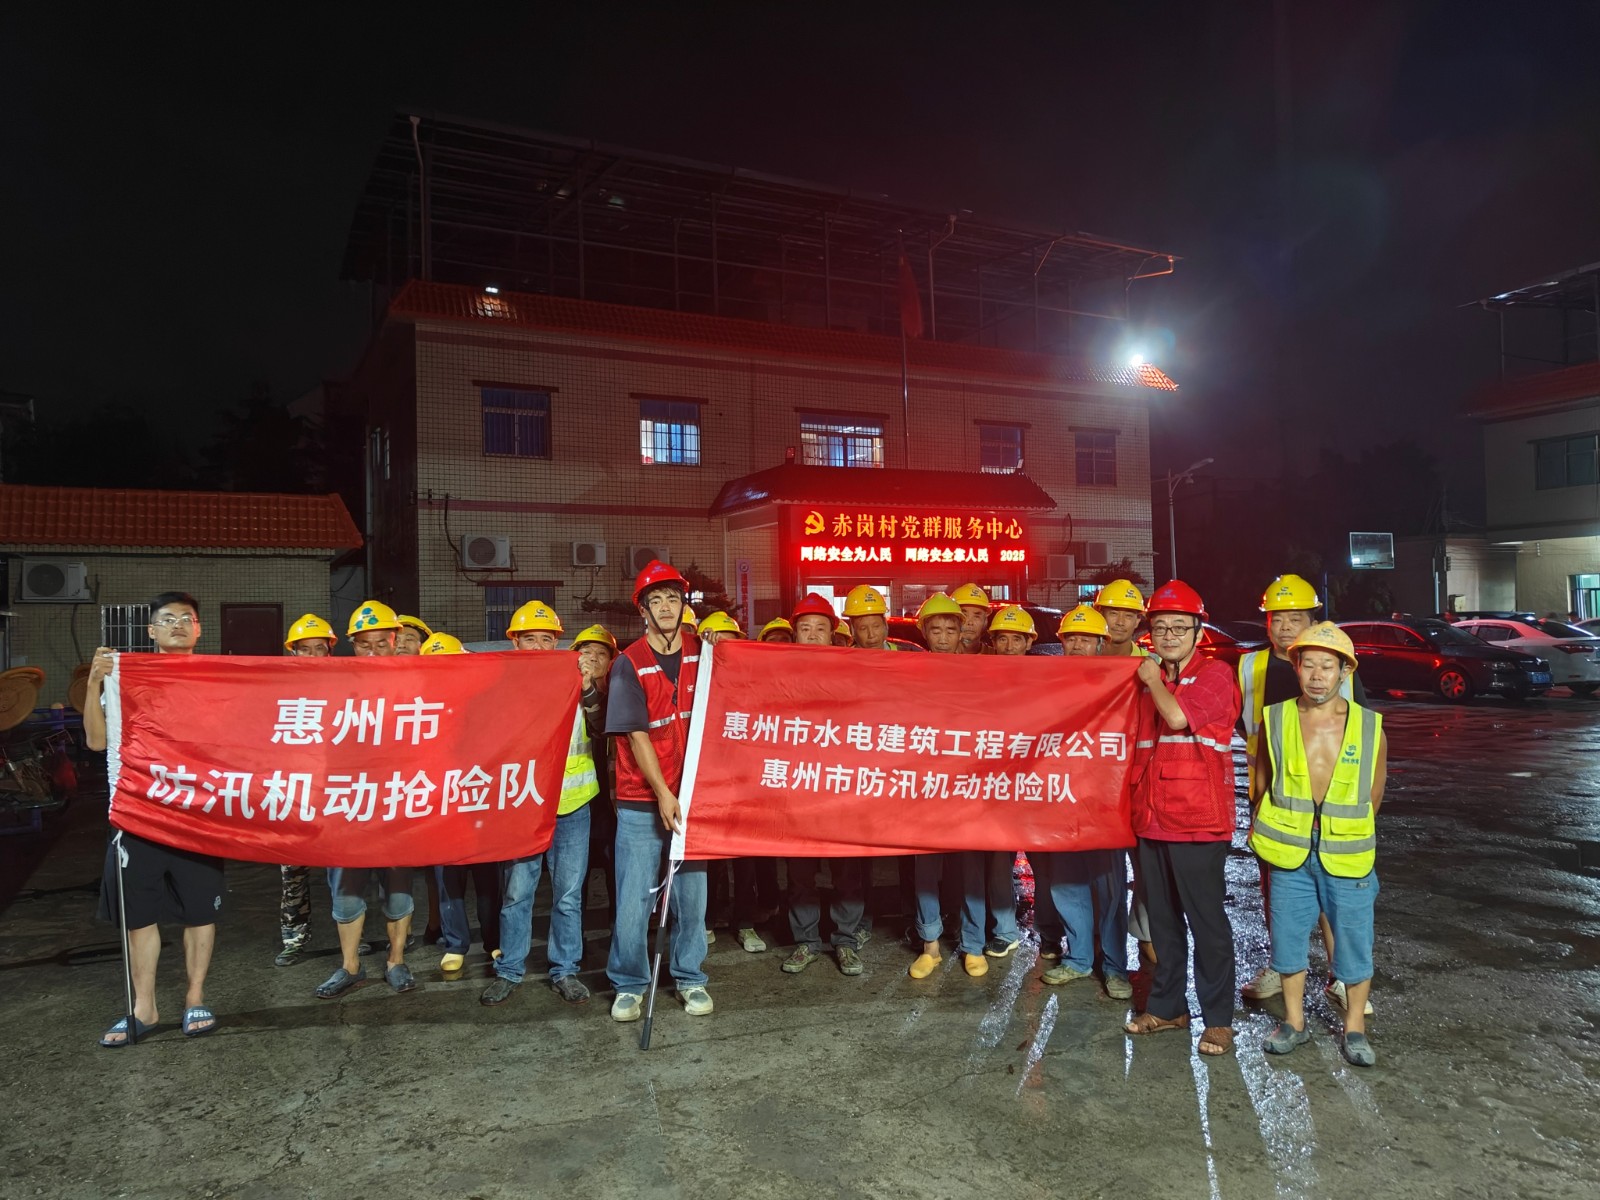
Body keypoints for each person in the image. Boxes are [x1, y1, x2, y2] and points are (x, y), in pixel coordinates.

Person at [86, 592, 224, 1045]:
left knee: (199, 912)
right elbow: (95, 741)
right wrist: (94, 683)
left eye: (187, 618)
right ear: (151, 631)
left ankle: (195, 997)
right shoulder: (127, 677)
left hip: (197, 815)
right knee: (139, 917)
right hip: (139, 814)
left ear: (199, 629)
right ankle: (143, 1007)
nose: (178, 625)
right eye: (167, 619)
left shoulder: (217, 678)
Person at [1252, 623, 1387, 1067]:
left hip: (1346, 853)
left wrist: (1339, 829)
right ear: (1295, 667)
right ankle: (1294, 1022)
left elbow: (1374, 793)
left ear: (1345, 671)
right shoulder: (1275, 717)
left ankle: (1355, 1029)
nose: (1316, 675)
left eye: (1327, 666)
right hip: (1289, 850)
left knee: (1354, 943)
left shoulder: (1369, 726)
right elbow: (1263, 780)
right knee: (1288, 941)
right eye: (1307, 664)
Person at [1238, 574, 1372, 1016]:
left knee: (1335, 893)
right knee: (1279, 895)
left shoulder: (1335, 663)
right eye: (1276, 619)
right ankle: (1281, 967)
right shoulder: (1249, 667)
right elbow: (1246, 730)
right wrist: (1260, 798)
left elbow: (1364, 737)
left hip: (1334, 806)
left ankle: (1340, 975)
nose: (1283, 627)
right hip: (1276, 802)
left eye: (1294, 619)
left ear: (1313, 620)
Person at [1123, 581, 1242, 1057]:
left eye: (1179, 627)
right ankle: (1168, 1007)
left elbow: (1176, 719)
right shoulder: (1147, 677)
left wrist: (1152, 681)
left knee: (1207, 923)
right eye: (1161, 627)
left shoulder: (1215, 676)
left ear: (1198, 631)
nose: (1169, 635)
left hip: (1197, 821)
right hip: (1151, 818)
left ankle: (1219, 1020)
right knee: (1164, 924)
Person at [604, 561, 712, 1020]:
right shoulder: (628, 664)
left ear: (683, 606)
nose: (666, 607)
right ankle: (629, 983)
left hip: (693, 797)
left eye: (673, 599)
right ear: (643, 610)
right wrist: (664, 794)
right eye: (656, 601)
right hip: (642, 801)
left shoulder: (705, 653)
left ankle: (690, 977)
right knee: (634, 899)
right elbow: (636, 735)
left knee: (692, 897)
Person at [480, 602, 600, 1005]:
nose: (537, 646)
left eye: (545, 639)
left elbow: (602, 725)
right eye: (528, 638)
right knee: (517, 892)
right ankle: (509, 969)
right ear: (514, 643)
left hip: (572, 802)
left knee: (568, 895)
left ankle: (565, 969)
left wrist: (588, 686)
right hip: (523, 803)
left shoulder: (577, 679)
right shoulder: (500, 686)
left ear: (557, 643)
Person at [316, 600, 419, 999]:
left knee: (399, 890)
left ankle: (396, 961)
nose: (373, 651)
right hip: (347, 803)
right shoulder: (336, 685)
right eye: (364, 644)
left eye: (381, 642)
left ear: (395, 640)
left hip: (396, 801)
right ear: (351, 645)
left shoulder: (416, 684)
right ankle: (349, 967)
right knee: (346, 891)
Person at [1037, 604, 1132, 999]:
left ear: (1101, 644)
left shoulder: (1120, 684)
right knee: (1066, 882)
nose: (1078, 645)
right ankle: (1078, 959)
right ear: (1061, 642)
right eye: (1071, 638)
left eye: (1086, 639)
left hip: (1104, 803)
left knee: (1109, 889)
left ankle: (1114, 967)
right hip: (1060, 799)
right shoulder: (1047, 684)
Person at [782, 592, 869, 977]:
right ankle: (806, 941)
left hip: (841, 786)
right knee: (800, 870)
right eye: (806, 628)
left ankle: (845, 941)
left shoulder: (851, 670)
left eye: (821, 628)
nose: (814, 634)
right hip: (799, 786)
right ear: (795, 634)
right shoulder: (779, 672)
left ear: (833, 634)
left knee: (846, 869)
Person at [965, 606, 1033, 970]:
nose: (1008, 646)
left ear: (1028, 643)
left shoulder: (1045, 679)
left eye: (1016, 639)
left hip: (1023, 781)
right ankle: (989, 931)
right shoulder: (979, 674)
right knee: (985, 858)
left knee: (1008, 858)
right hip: (981, 779)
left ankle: (1011, 930)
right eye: (1002, 639)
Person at [1094, 579, 1157, 970]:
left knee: (1147, 868)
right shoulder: (1083, 659)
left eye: (1127, 615)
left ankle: (1147, 939)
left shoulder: (1149, 667)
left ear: (1138, 621)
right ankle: (1102, 947)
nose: (1118, 621)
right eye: (1111, 612)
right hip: (1095, 783)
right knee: (1104, 874)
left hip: (1138, 780)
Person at [907, 594, 969, 978]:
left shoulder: (980, 672)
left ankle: (965, 938)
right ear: (924, 633)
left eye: (950, 629)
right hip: (925, 783)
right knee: (925, 865)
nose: (943, 637)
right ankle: (929, 943)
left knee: (963, 866)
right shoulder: (910, 670)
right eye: (936, 630)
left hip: (967, 783)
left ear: (962, 632)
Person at [274, 613, 339, 968]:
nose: (313, 655)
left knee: (343, 869)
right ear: (293, 652)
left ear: (330, 651)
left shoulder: (345, 687)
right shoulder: (281, 690)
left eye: (319, 648)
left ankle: (351, 934)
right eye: (305, 649)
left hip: (336, 791)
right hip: (294, 793)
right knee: (293, 872)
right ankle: (294, 937)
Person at [572, 624, 621, 935]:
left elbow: (602, 724)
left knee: (618, 874)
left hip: (614, 803)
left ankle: (619, 935)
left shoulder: (622, 694)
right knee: (575, 881)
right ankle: (575, 942)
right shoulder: (565, 697)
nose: (592, 657)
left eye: (601, 653)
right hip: (578, 803)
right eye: (586, 651)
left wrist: (589, 687)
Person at [951, 582, 992, 654]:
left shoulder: (994, 655)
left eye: (977, 616)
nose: (970, 623)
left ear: (985, 621)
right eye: (964, 615)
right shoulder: (940, 655)